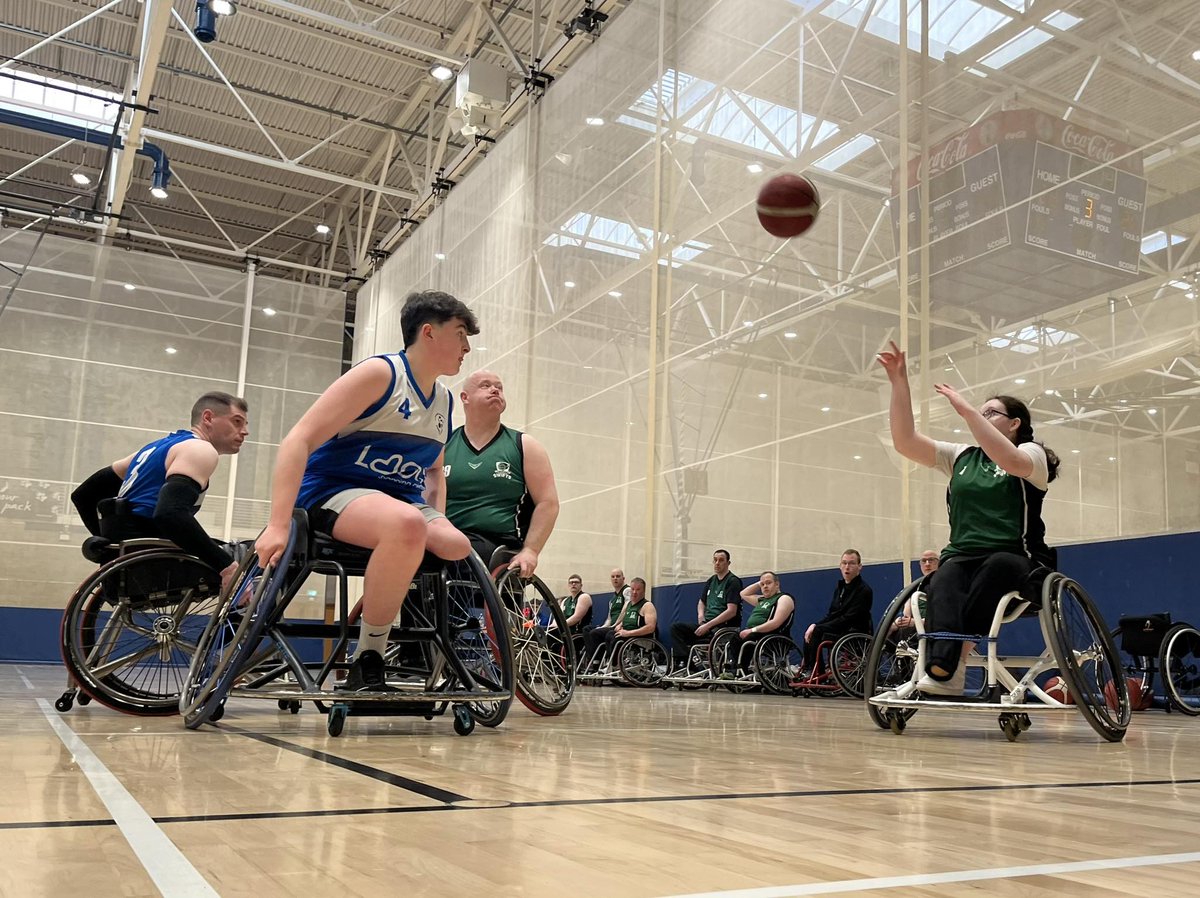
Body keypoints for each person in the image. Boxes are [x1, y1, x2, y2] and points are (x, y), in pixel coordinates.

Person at [254, 290, 479, 692]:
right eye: (461, 334)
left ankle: (383, 598)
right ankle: (369, 655)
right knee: (407, 524)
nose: (466, 347)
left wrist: (438, 515)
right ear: (428, 333)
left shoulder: (444, 399)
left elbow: (433, 473)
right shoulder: (379, 375)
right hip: (335, 490)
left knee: (457, 545)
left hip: (398, 501)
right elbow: (297, 440)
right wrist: (276, 524)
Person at [878, 339, 1059, 695]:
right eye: (982, 412)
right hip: (963, 555)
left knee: (995, 569)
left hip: (1017, 558)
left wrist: (965, 410)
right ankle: (945, 672)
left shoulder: (1031, 453)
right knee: (944, 578)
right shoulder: (962, 456)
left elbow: (1011, 462)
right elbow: (905, 441)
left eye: (991, 412)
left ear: (1015, 423)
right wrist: (900, 383)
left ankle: (951, 661)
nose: (983, 415)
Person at [69, 392, 249, 591]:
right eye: (237, 422)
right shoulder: (200, 450)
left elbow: (84, 495)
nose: (245, 431)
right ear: (208, 418)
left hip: (131, 560)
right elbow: (170, 514)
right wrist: (226, 566)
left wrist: (109, 546)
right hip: (154, 559)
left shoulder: (153, 450)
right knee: (256, 556)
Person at [443, 369, 559, 577]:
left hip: (496, 544)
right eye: (485, 385)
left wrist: (531, 551)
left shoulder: (525, 446)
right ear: (464, 397)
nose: (495, 390)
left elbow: (548, 503)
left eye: (499, 387)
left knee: (466, 552)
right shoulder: (443, 445)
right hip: (446, 538)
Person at [801, 550, 873, 674]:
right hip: (840, 628)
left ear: (859, 567)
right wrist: (815, 625)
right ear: (840, 566)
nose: (847, 567)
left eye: (851, 563)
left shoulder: (864, 590)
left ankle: (817, 672)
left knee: (818, 631)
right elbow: (832, 614)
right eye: (844, 563)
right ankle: (809, 668)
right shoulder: (840, 588)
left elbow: (850, 618)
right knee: (811, 631)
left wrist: (819, 627)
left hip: (854, 631)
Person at [669, 549, 742, 669]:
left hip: (723, 627)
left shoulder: (733, 581)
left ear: (728, 563)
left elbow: (731, 611)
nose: (717, 563)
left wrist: (707, 626)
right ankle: (686, 664)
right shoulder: (711, 581)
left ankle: (690, 666)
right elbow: (701, 602)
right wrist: (701, 617)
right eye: (715, 560)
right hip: (707, 625)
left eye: (721, 560)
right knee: (676, 628)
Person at [723, 571, 795, 674]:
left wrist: (753, 630)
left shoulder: (784, 598)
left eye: (769, 583)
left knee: (749, 639)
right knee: (734, 638)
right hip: (755, 634)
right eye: (762, 584)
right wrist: (760, 582)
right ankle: (735, 668)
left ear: (777, 584)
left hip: (774, 636)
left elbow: (776, 623)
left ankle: (739, 670)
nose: (765, 586)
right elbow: (743, 594)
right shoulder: (761, 600)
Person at [581, 577, 656, 665]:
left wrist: (629, 633)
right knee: (596, 633)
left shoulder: (647, 606)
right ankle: (597, 662)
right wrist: (620, 624)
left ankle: (614, 664)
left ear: (643, 591)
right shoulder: (629, 604)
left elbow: (651, 628)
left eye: (638, 589)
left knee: (612, 636)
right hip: (625, 633)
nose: (634, 592)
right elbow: (627, 619)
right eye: (633, 589)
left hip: (639, 637)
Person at [581, 569, 631, 672]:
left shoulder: (627, 590)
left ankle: (597, 664)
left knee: (596, 633)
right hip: (611, 625)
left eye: (618, 576)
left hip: (620, 625)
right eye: (613, 577)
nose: (615, 578)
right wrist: (604, 626)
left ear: (623, 578)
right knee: (587, 629)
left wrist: (617, 623)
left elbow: (626, 608)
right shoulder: (612, 599)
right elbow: (609, 617)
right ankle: (592, 659)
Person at [888, 550, 940, 640]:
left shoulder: (943, 586)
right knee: (889, 630)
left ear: (939, 564)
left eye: (931, 560)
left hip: (933, 629)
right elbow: (906, 615)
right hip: (916, 627)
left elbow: (943, 617)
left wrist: (916, 622)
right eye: (924, 561)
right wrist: (898, 623)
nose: (927, 564)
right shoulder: (915, 587)